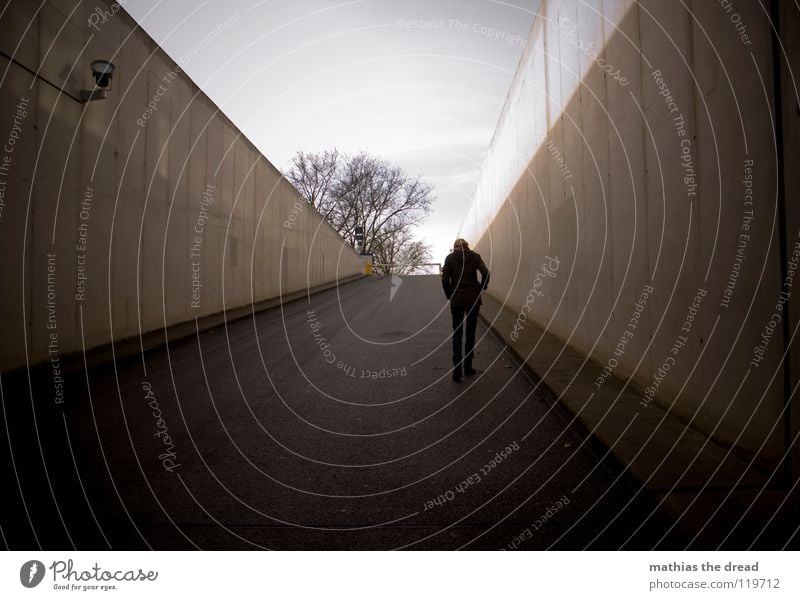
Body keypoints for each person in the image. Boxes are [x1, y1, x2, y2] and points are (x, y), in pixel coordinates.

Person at [441, 238, 490, 382]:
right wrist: (481, 288)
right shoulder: (475, 256)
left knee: (457, 333)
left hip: (457, 300)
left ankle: (457, 370)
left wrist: (450, 295)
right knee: (470, 333)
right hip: (473, 299)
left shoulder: (450, 258)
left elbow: (444, 280)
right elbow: (486, 273)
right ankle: (468, 367)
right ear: (467, 246)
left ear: (455, 247)